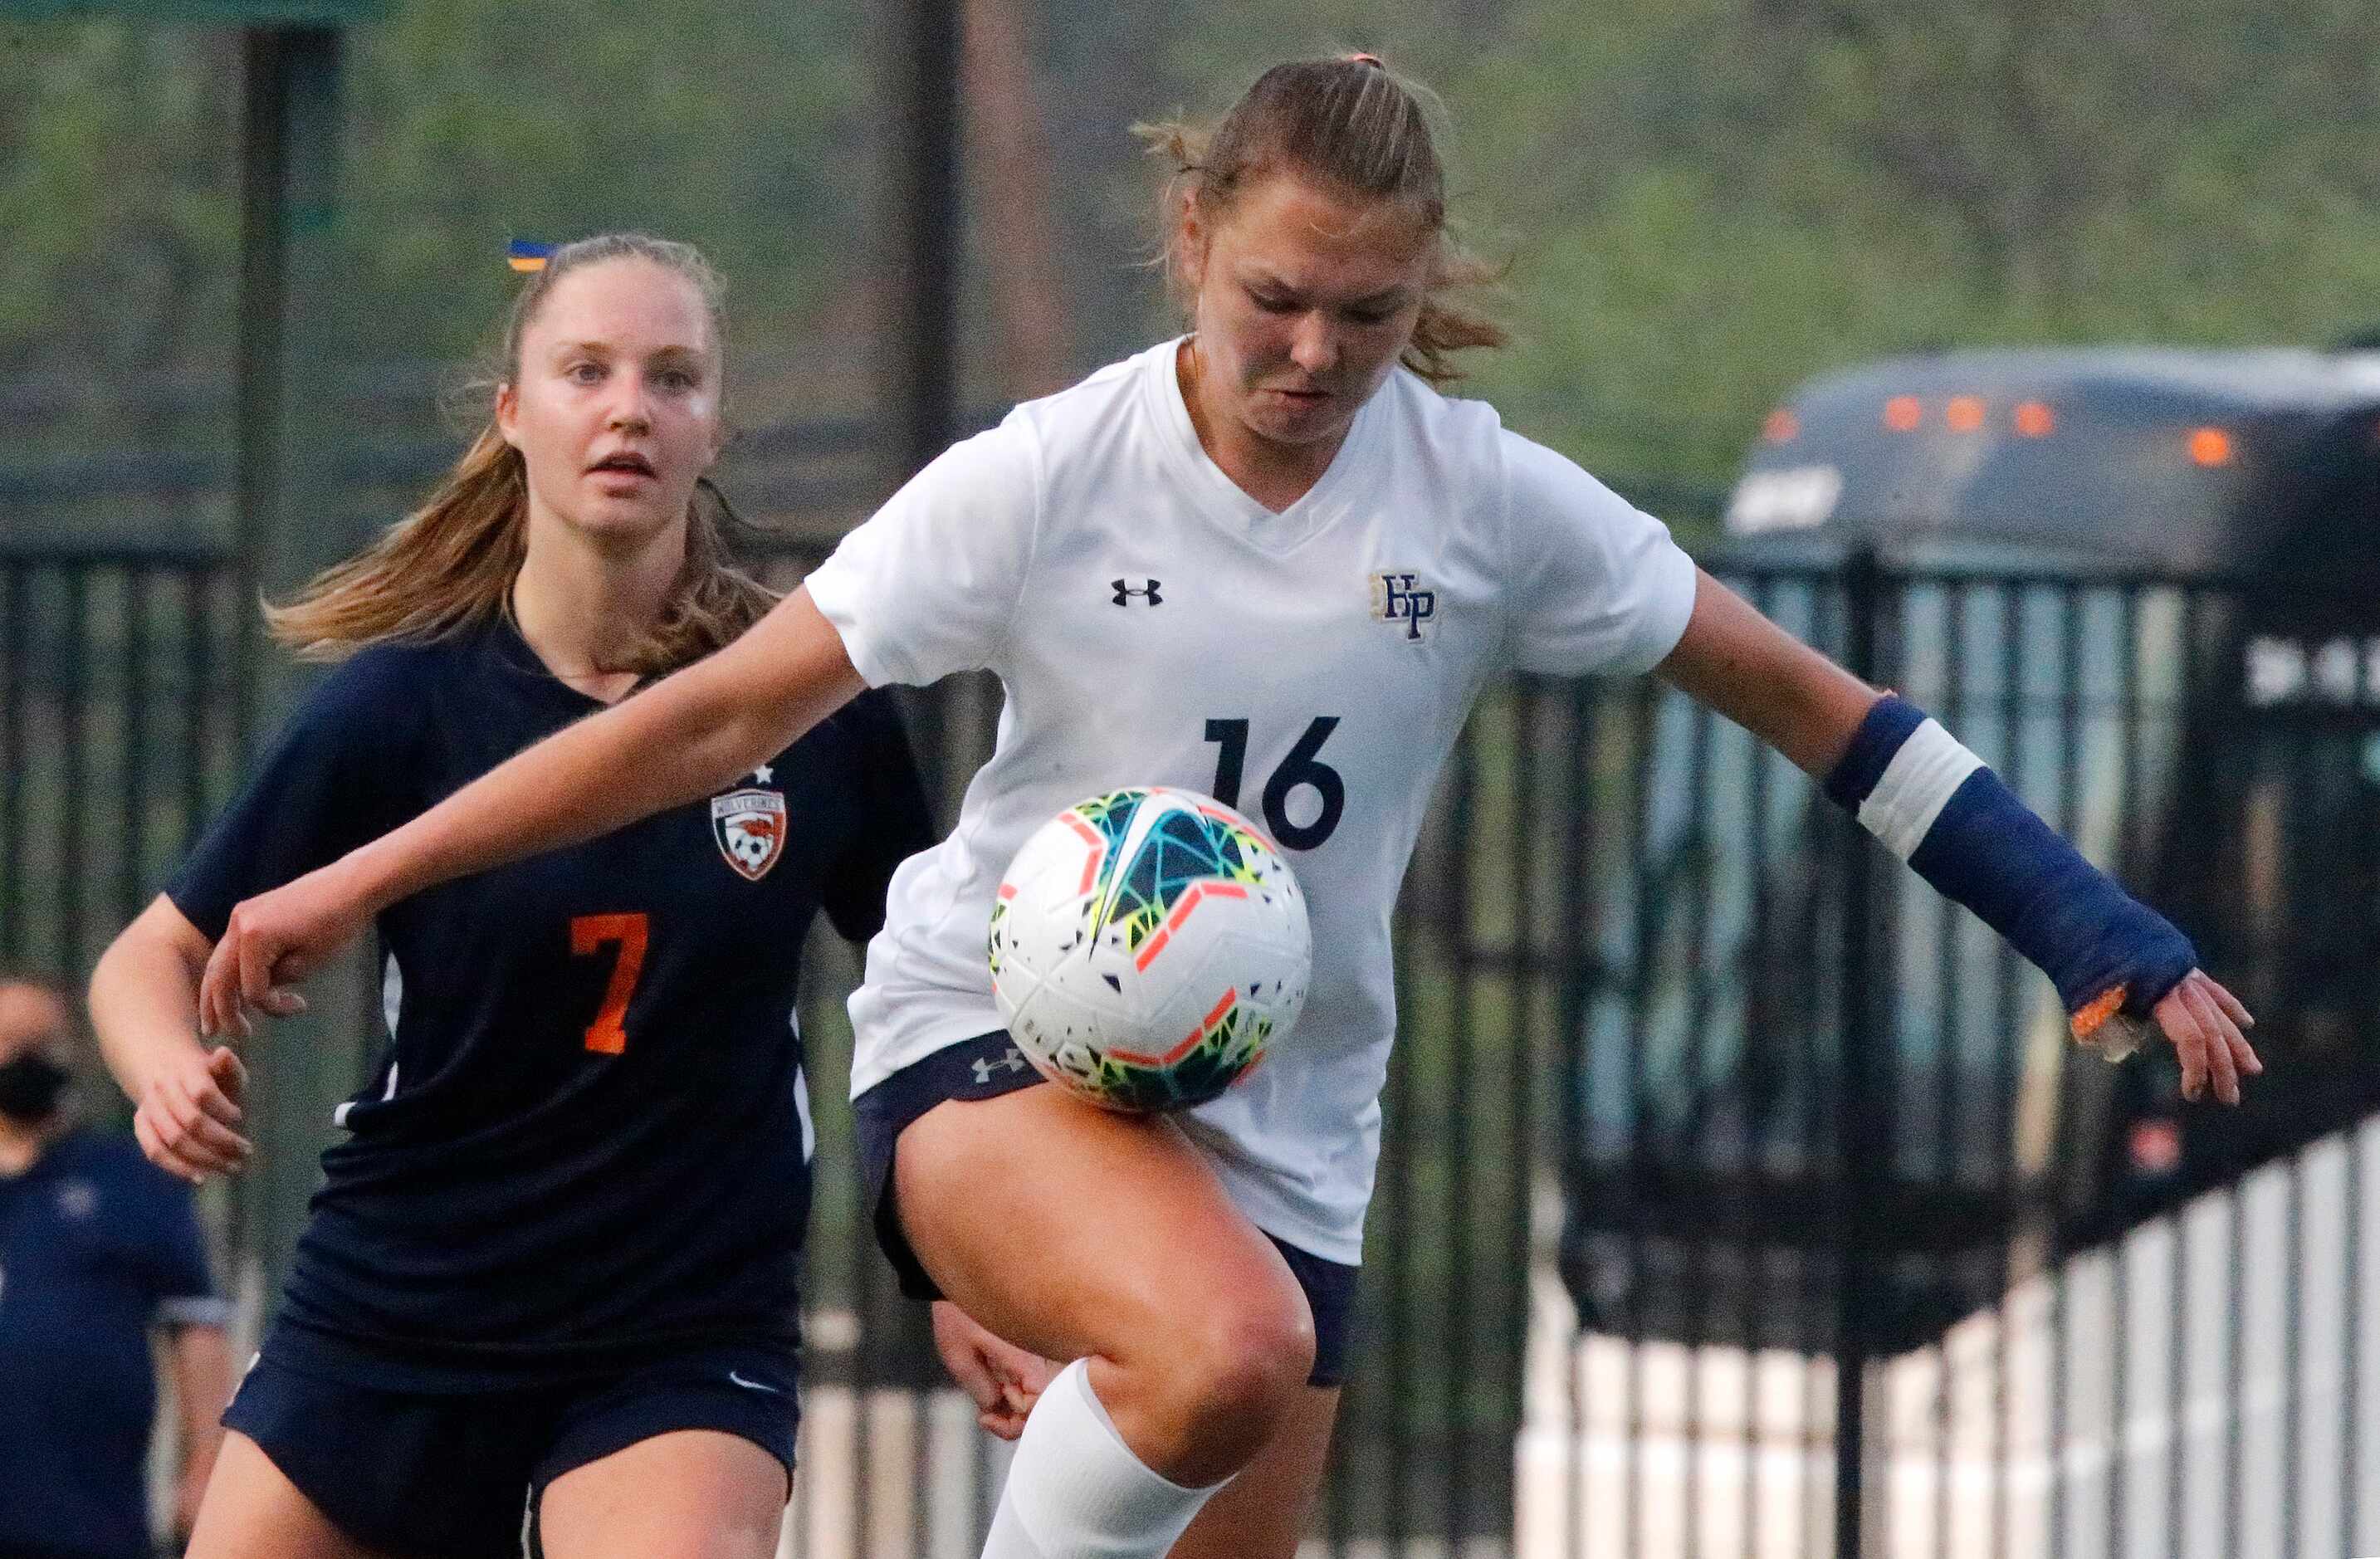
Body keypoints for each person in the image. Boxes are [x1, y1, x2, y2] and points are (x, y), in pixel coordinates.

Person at [187, 61, 2264, 1559]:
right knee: (1223, 1345)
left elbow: (1823, 708)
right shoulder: (1046, 477)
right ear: (1192, 241)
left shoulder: (1485, 506)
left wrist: (2092, 926)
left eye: (1364, 315)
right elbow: (702, 717)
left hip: (1282, 1132)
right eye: (1272, 297)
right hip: (990, 1056)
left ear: (1419, 290)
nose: (1311, 351)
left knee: (1232, 1355)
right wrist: (358, 877)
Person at [86, 232, 1034, 1559]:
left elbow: (935, 1011)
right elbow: (147, 957)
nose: (628, 408)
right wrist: (165, 1071)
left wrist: (960, 1269)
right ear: (514, 414)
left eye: (672, 377)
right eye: (585, 371)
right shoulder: (399, 705)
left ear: (716, 426)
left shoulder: (812, 713)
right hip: (402, 1299)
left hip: (678, 1323)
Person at [0, 975, 232, 1559]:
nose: (21, 1063)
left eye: (38, 1045)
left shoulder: (131, 1177)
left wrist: (206, 1462)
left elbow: (197, 1325)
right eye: (6, 1044)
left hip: (88, 1518)